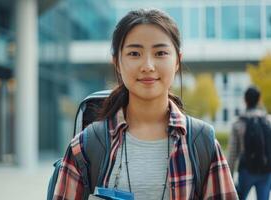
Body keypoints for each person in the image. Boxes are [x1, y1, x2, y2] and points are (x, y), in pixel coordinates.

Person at [53, 9, 237, 199]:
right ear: (117, 62)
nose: (148, 65)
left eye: (160, 53)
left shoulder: (203, 143)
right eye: (134, 53)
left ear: (177, 62)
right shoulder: (85, 146)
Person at [228, 86, 271, 200]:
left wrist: (229, 178)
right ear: (259, 100)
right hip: (266, 171)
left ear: (245, 100)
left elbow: (232, 154)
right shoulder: (268, 121)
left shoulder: (238, 123)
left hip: (246, 170)